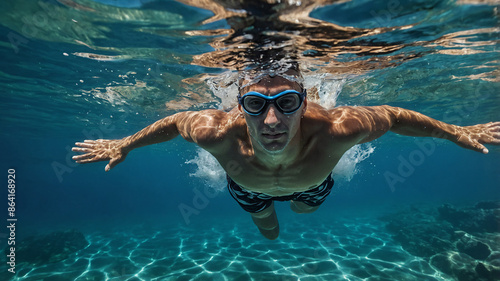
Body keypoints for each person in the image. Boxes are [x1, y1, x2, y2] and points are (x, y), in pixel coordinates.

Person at [72, 68, 500, 240]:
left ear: (302, 101)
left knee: (305, 211)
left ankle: (297, 201)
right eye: (256, 105)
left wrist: (454, 131)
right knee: (270, 231)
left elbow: (393, 115)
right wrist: (123, 144)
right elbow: (171, 123)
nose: (272, 121)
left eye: (287, 104)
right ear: (240, 106)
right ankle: (270, 218)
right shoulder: (215, 133)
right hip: (248, 189)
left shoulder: (338, 128)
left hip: (312, 185)